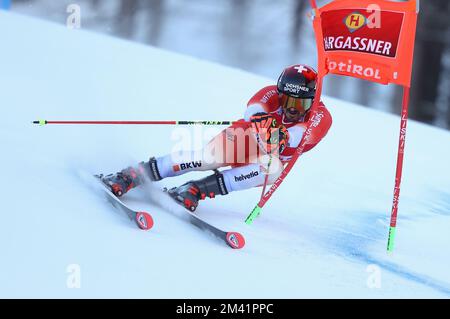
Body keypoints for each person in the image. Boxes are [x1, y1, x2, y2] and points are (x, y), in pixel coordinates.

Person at [101, 64, 332, 211]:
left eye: (299, 103)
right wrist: (262, 119)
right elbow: (253, 108)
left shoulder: (321, 116)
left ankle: (195, 190)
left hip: (266, 159)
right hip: (245, 139)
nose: (292, 108)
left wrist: (282, 135)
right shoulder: (272, 92)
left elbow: (301, 135)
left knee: (273, 170)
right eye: (287, 101)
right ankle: (132, 174)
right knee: (205, 159)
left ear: (312, 100)